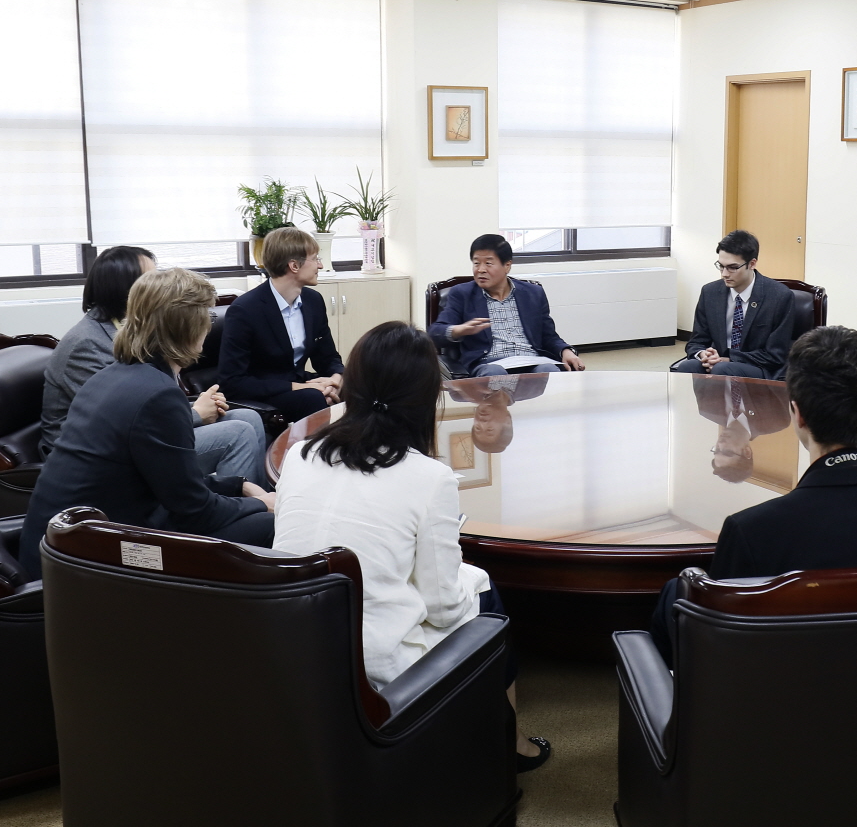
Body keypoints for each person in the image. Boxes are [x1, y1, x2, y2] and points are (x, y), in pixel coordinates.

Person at [271, 321, 551, 772]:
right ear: (427, 399)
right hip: (376, 664)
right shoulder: (428, 477)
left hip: (290, 644)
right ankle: (508, 743)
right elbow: (442, 608)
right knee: (485, 594)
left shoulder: (301, 455)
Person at [652, 325, 857, 664]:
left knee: (675, 593)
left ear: (797, 414)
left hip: (786, 703)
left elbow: (724, 646)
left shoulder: (753, 531)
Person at [18, 268, 274, 580]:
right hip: (88, 562)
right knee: (270, 525)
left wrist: (238, 486)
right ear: (189, 327)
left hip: (59, 546)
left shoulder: (111, 376)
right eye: (206, 316)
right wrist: (263, 504)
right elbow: (195, 513)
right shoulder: (158, 395)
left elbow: (170, 485)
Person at [39, 245, 267, 486]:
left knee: (248, 417)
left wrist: (203, 405)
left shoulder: (130, 329)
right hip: (102, 456)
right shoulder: (86, 344)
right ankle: (232, 512)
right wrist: (198, 413)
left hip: (141, 432)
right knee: (238, 434)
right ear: (129, 288)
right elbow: (127, 420)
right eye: (151, 277)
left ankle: (263, 504)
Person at [219, 227, 344, 424]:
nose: (320, 265)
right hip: (267, 392)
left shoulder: (313, 301)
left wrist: (336, 380)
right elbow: (232, 382)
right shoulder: (245, 310)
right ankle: (318, 454)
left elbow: (328, 357)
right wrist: (301, 388)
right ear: (294, 265)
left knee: (362, 388)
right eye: (315, 258)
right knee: (312, 398)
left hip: (305, 384)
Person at [428, 234, 584, 378]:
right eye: (476, 263)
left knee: (549, 371)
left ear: (507, 265)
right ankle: (503, 409)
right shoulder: (462, 294)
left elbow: (548, 336)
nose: (481, 269)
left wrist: (565, 350)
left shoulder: (533, 293)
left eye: (488, 263)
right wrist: (458, 330)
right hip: (489, 363)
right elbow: (435, 333)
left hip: (532, 360)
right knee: (495, 374)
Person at [674, 230, 795, 379]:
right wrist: (703, 354)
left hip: (758, 366)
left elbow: (775, 355)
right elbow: (696, 341)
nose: (724, 273)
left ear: (752, 263)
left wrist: (729, 358)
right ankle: (707, 403)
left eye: (732, 267)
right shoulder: (710, 292)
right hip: (720, 362)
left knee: (722, 369)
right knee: (688, 366)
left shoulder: (779, 297)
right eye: (721, 266)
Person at [692, 373, 791, 483]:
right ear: (747, 452)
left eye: (717, 450)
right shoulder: (775, 420)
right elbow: (779, 374)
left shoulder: (707, 409)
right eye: (727, 451)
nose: (720, 444)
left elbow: (698, 370)